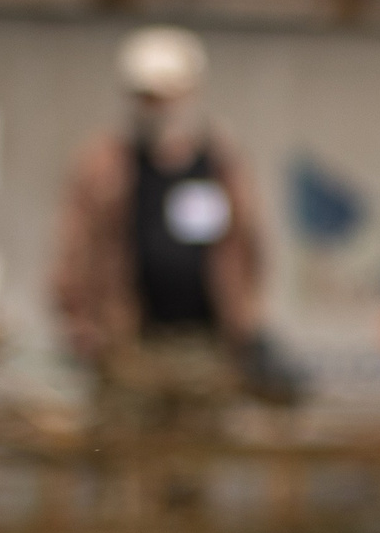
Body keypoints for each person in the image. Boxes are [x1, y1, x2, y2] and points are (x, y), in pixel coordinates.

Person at [52, 25, 266, 434]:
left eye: (166, 94)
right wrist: (80, 322)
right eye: (145, 96)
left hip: (205, 347)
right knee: (128, 471)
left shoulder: (221, 163)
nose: (155, 106)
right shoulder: (105, 164)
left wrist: (247, 321)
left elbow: (249, 247)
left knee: (193, 469)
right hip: (129, 346)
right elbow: (74, 247)